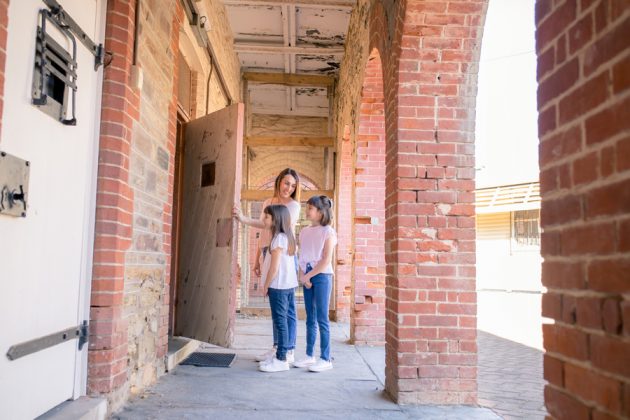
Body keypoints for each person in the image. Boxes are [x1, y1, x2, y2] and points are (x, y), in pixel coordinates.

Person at [233, 168, 301, 364]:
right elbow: (263, 231)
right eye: (286, 183)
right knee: (277, 307)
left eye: (293, 185)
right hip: (267, 251)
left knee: (287, 309)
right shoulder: (267, 203)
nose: (289, 188)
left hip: (282, 253)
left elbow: (274, 227)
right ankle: (277, 347)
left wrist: (250, 220)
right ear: (279, 181)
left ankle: (289, 350)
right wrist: (257, 258)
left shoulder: (294, 206)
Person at [293, 195, 337, 372]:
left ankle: (325, 358)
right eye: (307, 207)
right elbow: (301, 256)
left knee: (322, 318)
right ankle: (309, 355)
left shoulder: (329, 232)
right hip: (308, 276)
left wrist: (309, 275)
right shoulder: (303, 232)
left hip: (322, 276)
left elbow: (326, 260)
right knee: (310, 318)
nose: (307, 211)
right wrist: (303, 275)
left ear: (320, 212)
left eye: (310, 208)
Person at [257, 205, 298, 372]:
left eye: (267, 217)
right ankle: (281, 355)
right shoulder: (283, 237)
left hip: (278, 286)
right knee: (282, 322)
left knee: (280, 323)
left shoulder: (279, 239)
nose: (264, 220)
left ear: (276, 219)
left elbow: (274, 268)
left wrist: (266, 285)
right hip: (286, 286)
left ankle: (281, 359)